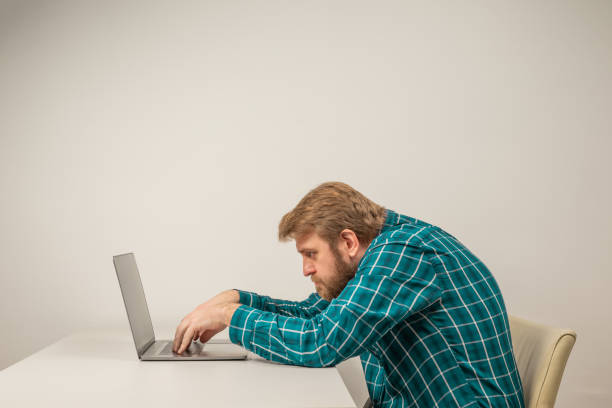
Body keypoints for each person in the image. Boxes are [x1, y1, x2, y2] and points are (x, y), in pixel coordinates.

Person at [172, 181, 525, 407]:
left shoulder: (403, 254)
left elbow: (322, 343)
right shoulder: (380, 255)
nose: (306, 270)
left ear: (348, 241)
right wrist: (236, 299)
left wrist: (230, 317)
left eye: (311, 254)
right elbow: (316, 317)